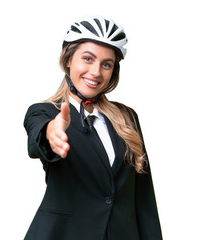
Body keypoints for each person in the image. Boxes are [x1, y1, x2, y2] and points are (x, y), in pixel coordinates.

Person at [23, 16, 163, 240]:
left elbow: (144, 200)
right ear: (68, 60)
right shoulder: (45, 112)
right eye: (88, 59)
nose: (96, 72)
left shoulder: (128, 118)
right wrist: (52, 134)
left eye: (106, 64)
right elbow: (39, 136)